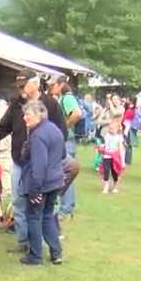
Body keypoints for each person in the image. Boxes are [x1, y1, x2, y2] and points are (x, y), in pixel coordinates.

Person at [0, 70, 65, 255]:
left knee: (44, 207)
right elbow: (2, 128)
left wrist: (54, 161)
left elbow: (61, 134)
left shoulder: (51, 105)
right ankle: (24, 242)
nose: (20, 89)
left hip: (43, 167)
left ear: (35, 83)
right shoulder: (16, 104)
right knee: (19, 202)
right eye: (19, 85)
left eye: (24, 85)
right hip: (20, 164)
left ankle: (42, 247)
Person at [19, 99, 65, 266]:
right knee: (47, 217)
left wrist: (35, 190)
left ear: (39, 114)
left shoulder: (38, 135)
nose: (25, 118)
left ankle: (35, 256)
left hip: (42, 182)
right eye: (24, 114)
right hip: (56, 180)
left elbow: (39, 165)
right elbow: (63, 154)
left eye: (28, 114)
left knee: (34, 217)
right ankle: (56, 254)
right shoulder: (55, 129)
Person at [49, 76, 83, 220]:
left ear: (61, 84)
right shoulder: (64, 98)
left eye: (53, 85)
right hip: (66, 139)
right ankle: (67, 207)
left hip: (66, 140)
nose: (51, 88)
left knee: (66, 172)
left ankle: (65, 209)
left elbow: (77, 113)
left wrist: (64, 128)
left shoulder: (67, 98)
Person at [97, 117, 126, 194]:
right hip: (107, 156)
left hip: (115, 157)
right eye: (109, 129)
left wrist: (122, 162)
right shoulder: (107, 136)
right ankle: (106, 186)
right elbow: (105, 144)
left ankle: (115, 186)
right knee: (106, 171)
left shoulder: (119, 138)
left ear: (117, 129)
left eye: (112, 129)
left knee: (115, 172)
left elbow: (121, 149)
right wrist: (101, 147)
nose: (110, 130)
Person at [123, 100, 138, 165]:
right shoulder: (132, 110)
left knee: (127, 145)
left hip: (128, 128)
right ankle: (127, 160)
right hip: (129, 128)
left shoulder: (129, 111)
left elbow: (125, 119)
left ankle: (127, 160)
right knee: (128, 145)